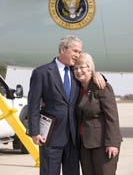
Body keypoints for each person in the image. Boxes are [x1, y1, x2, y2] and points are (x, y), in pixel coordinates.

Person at [27, 35, 106, 175]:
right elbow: (33, 105)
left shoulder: (77, 73)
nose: (78, 55)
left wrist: (97, 74)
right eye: (75, 51)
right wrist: (35, 132)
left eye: (80, 52)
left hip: (74, 138)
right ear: (63, 49)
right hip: (50, 137)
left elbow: (89, 76)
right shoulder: (42, 73)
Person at [73, 52, 122, 175]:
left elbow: (112, 117)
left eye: (81, 67)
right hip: (85, 144)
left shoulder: (101, 87)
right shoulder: (77, 89)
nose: (78, 71)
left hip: (102, 144)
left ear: (89, 67)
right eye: (75, 68)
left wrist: (112, 143)